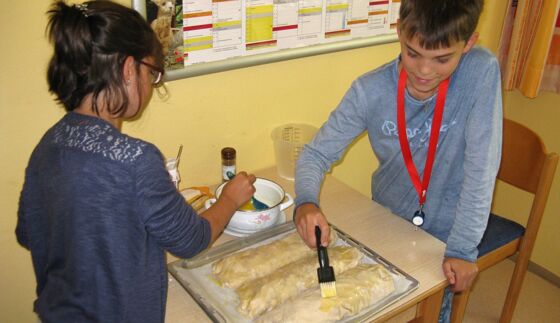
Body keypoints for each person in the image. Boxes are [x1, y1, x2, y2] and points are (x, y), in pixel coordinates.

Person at [15, 1, 256, 322]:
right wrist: (229, 198)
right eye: (152, 74)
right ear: (129, 69)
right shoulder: (135, 159)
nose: (152, 87)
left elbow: (28, 233)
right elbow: (192, 240)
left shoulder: (48, 143)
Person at [293, 0, 501, 321]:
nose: (424, 71)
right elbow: (317, 153)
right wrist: (306, 202)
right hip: (387, 221)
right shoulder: (370, 90)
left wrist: (462, 251)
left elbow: (481, 171)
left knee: (431, 311)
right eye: (413, 53)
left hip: (445, 236)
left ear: (469, 43)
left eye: (442, 59)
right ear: (399, 32)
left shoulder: (480, 72)